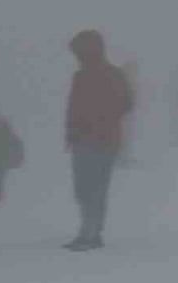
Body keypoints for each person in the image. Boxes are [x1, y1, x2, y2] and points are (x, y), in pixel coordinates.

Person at [64, 29, 133, 251]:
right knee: (84, 188)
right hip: (85, 140)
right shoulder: (81, 75)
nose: (77, 56)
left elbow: (126, 103)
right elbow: (73, 108)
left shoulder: (111, 74)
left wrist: (100, 119)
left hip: (102, 140)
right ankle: (89, 231)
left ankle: (91, 233)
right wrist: (71, 132)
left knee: (94, 187)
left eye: (79, 52)